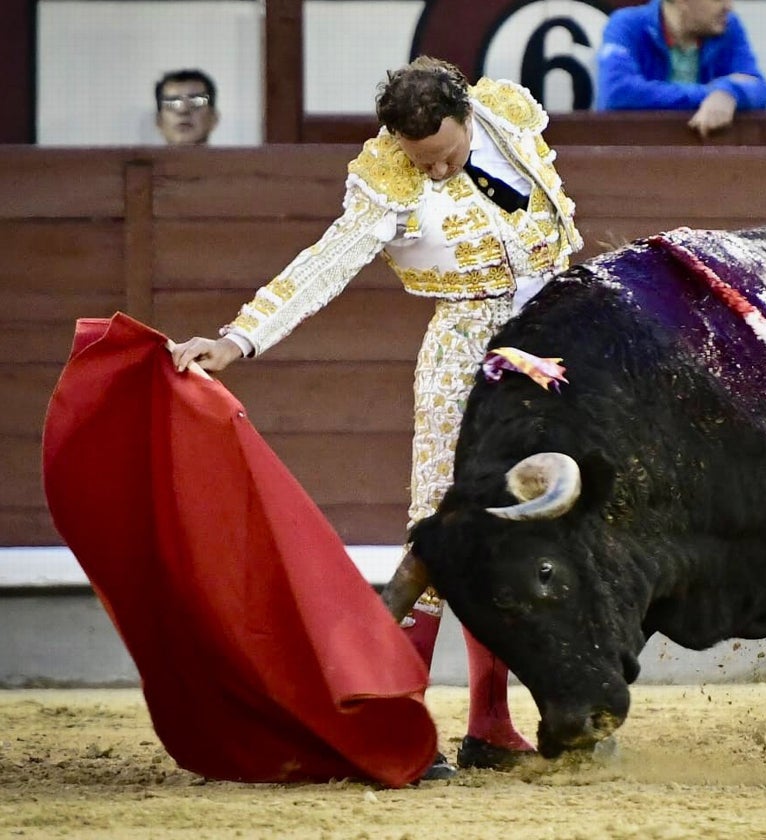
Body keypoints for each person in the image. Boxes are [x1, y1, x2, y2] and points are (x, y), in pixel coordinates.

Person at [168, 56, 583, 779]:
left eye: (446, 156)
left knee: (522, 530)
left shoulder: (506, 114)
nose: (435, 173)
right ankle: (399, 722)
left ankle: (490, 723)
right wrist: (238, 338)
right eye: (421, 162)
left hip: (553, 340)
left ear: (467, 116)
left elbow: (551, 224)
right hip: (465, 343)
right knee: (440, 529)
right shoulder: (387, 181)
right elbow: (323, 265)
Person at [596, 0, 766, 137]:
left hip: (704, 156)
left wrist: (730, 93)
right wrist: (717, 94)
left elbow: (759, 87)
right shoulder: (626, 24)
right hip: (633, 154)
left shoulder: (728, 26)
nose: (729, 7)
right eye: (717, 0)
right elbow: (618, 92)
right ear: (682, 2)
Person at [155, 68, 220, 145]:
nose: (183, 110)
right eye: (173, 104)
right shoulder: (140, 157)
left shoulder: (232, 157)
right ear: (159, 121)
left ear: (213, 118)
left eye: (195, 102)